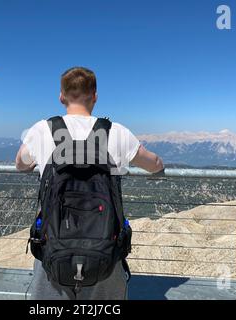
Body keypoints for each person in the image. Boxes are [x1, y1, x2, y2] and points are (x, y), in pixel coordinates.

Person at [16, 66, 164, 299]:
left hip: (53, 249)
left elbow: (20, 164)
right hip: (106, 252)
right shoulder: (116, 132)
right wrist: (160, 167)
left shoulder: (43, 130)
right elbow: (153, 163)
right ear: (95, 96)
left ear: (61, 96)